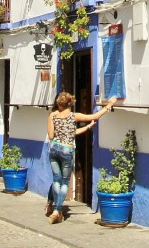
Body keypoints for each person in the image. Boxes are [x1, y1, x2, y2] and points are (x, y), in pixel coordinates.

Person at [45, 93, 116, 224]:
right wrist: (109, 105)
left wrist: (87, 127)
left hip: (54, 149)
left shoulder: (52, 116)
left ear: (60, 103)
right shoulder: (74, 116)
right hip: (67, 149)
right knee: (65, 182)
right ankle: (57, 210)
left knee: (56, 181)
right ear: (70, 104)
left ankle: (55, 208)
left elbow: (50, 135)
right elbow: (94, 116)